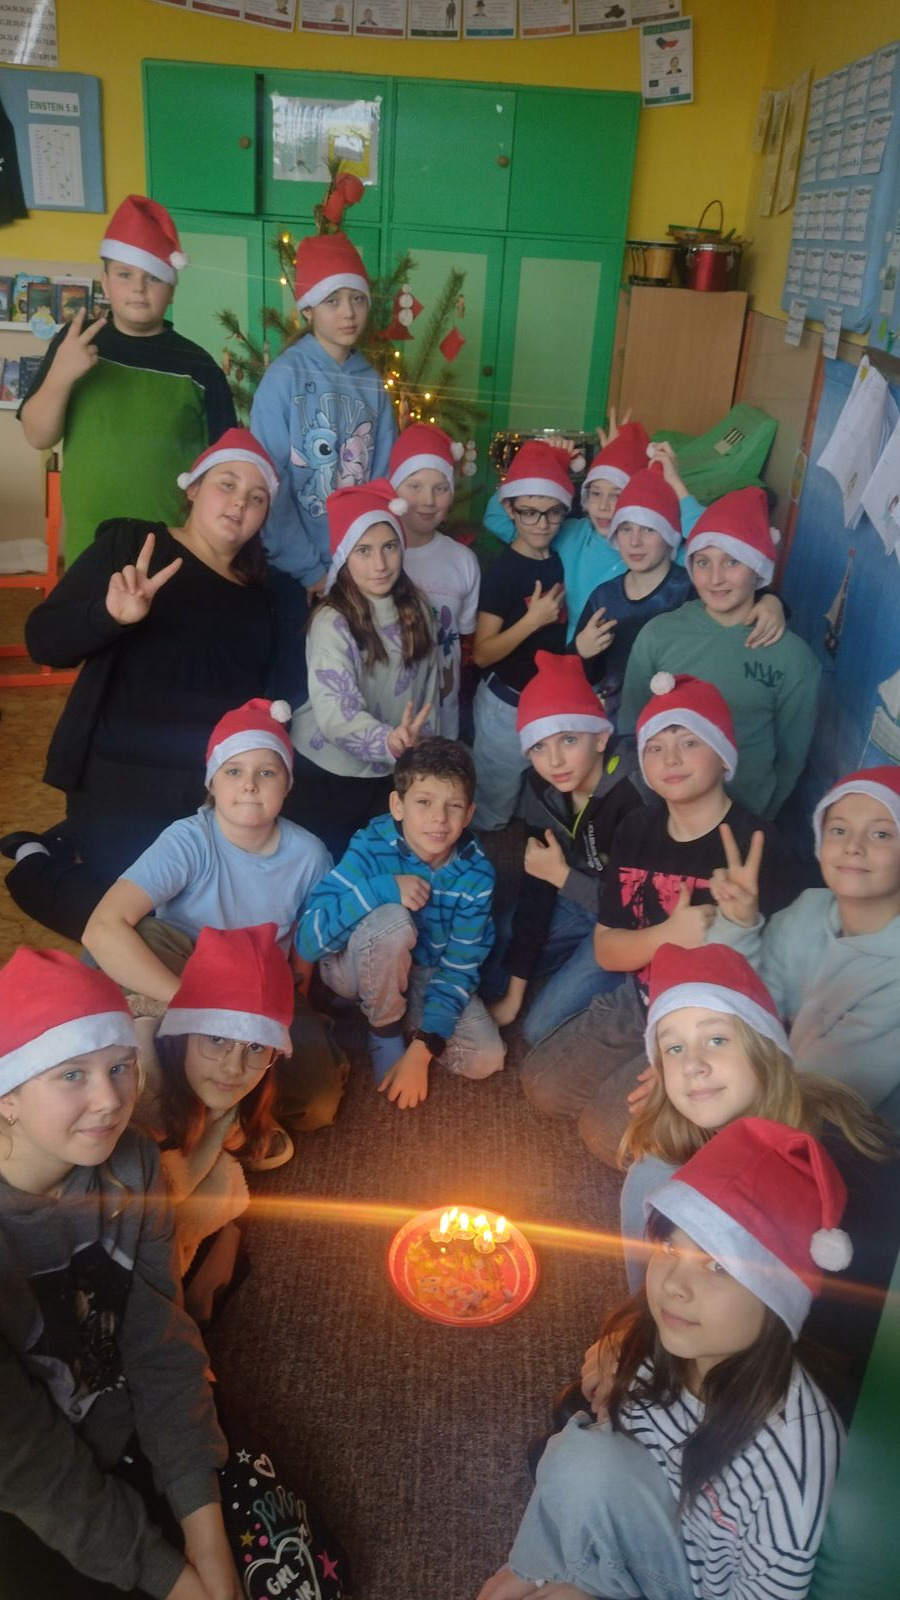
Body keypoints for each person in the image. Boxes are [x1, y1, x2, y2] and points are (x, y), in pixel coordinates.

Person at [477, 1117, 849, 1600]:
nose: (674, 1284)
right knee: (577, 1459)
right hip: (657, 1528)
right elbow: (623, 1450)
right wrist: (542, 1565)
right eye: (671, 1246)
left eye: (718, 1266)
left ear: (778, 1300)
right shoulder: (667, 1341)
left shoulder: (792, 1470)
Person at [0, 947, 238, 1600]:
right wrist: (170, 1577)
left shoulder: (133, 1162)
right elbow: (24, 1459)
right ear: (8, 1096)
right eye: (71, 1075)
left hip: (119, 1415)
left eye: (119, 1066)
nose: (110, 1100)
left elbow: (159, 1340)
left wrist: (207, 1541)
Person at [1, 431, 281, 943]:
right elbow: (44, 642)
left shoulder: (262, 598)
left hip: (205, 789)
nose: (241, 501)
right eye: (227, 483)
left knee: (190, 923)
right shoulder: (134, 545)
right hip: (118, 775)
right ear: (193, 488)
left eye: (257, 496)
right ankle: (35, 864)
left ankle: (58, 849)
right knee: (129, 925)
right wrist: (109, 616)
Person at [520, 673, 810, 1164]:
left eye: (689, 742)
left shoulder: (761, 848)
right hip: (638, 999)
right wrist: (670, 936)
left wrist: (687, 1056)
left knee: (603, 1133)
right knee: (541, 1086)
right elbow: (607, 949)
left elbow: (779, 993)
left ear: (724, 755)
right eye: (655, 747)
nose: (670, 759)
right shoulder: (637, 828)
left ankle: (714, 1112)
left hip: (709, 1030)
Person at [617, 942, 897, 1411]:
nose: (693, 1065)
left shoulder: (829, 1176)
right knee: (651, 1171)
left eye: (717, 1039)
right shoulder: (714, 1129)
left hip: (836, 1375)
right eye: (674, 1048)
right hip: (764, 1339)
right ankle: (648, 1323)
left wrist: (646, 1361)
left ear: (763, 1045)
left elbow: (828, 1344)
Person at [82, 697, 346, 1137]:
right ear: (213, 782)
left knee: (317, 1103)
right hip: (186, 965)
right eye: (234, 771)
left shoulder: (311, 854)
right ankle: (157, 1060)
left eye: (267, 772)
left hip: (258, 981)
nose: (250, 785)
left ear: (287, 784)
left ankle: (219, 1112)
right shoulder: (189, 839)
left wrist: (298, 1006)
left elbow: (307, 939)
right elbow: (102, 928)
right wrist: (193, 1009)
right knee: (127, 941)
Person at [18, 194, 236, 567]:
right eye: (124, 274)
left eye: (153, 277)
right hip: (89, 548)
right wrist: (62, 374)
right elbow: (39, 436)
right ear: (105, 281)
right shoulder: (76, 342)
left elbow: (224, 468)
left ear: (172, 288)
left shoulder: (199, 368)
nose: (138, 288)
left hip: (173, 552)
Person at [297, 738, 504, 1109]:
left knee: (487, 1059)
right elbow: (308, 941)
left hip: (422, 972)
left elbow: (459, 969)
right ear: (397, 805)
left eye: (454, 805)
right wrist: (384, 889)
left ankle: (393, 1009)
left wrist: (422, 1052)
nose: (439, 818)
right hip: (353, 963)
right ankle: (385, 1030)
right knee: (393, 920)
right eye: (424, 802)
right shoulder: (370, 846)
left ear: (469, 814)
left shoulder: (478, 876)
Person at [707, 765, 900, 1130]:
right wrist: (737, 921)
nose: (853, 847)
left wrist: (703, 1084)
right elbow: (745, 1002)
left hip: (849, 1135)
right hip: (774, 1087)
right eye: (839, 830)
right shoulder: (809, 909)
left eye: (881, 834)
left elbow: (819, 1093)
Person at [250, 230, 396, 700]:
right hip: (295, 575)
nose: (348, 312)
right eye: (333, 300)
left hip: (355, 570)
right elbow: (269, 486)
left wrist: (360, 560)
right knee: (299, 692)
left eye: (358, 299)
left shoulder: (372, 384)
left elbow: (381, 482)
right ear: (308, 308)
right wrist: (311, 570)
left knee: (352, 685)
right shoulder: (284, 377)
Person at [620, 487, 821, 820]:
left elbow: (791, 757)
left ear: (757, 567)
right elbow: (631, 725)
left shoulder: (794, 659)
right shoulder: (658, 635)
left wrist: (760, 817)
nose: (715, 578)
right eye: (703, 562)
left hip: (747, 814)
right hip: (663, 814)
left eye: (732, 561)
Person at [133, 925, 294, 1323]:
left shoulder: (221, 1087)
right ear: (182, 1034)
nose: (234, 1068)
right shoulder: (129, 1097)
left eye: (255, 1046)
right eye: (217, 1039)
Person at [484, 651, 642, 1044]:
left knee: (540, 1029)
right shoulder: (541, 785)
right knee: (488, 956)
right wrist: (513, 998)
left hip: (627, 921)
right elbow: (537, 887)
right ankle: (568, 961)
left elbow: (635, 906)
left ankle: (633, 982)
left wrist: (561, 876)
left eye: (569, 740)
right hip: (575, 894)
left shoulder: (635, 792)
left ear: (600, 737)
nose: (554, 760)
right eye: (539, 747)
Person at [288, 479, 438, 858]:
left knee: (382, 864)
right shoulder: (332, 620)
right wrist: (387, 742)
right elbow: (336, 713)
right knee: (328, 863)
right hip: (328, 772)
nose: (380, 564)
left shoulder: (418, 608)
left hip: (394, 768)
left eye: (389, 546)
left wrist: (427, 753)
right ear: (344, 556)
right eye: (364, 550)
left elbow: (429, 692)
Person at [471, 441, 574, 831]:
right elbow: (482, 653)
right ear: (510, 509)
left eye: (553, 512)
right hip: (506, 704)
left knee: (529, 800)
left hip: (548, 705)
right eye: (529, 512)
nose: (542, 524)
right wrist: (532, 621)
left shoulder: (562, 558)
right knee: (492, 805)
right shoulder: (503, 573)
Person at [483, 414, 651, 635]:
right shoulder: (573, 535)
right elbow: (496, 516)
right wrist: (548, 465)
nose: (603, 507)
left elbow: (694, 544)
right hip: (568, 653)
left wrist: (661, 482)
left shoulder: (651, 546)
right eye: (596, 493)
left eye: (616, 495)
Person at [388, 423, 480, 739]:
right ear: (395, 490)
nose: (427, 500)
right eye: (414, 486)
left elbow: (464, 636)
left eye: (440, 488)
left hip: (442, 719)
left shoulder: (463, 561)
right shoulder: (377, 558)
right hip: (385, 725)